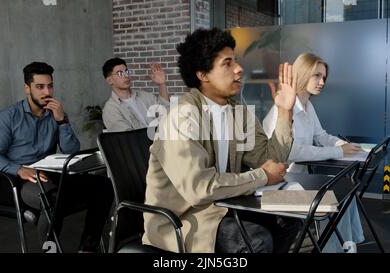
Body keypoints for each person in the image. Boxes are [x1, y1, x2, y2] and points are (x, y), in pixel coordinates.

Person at [142, 28, 301, 253]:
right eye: (227, 63)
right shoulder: (181, 117)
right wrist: (262, 176)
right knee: (256, 241)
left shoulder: (237, 112)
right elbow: (199, 188)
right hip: (184, 219)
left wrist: (284, 112)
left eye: (235, 61)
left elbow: (269, 163)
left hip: (224, 205)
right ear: (202, 75)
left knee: (290, 221)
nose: (239, 68)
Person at [0, 61, 113, 252]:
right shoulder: (7, 118)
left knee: (103, 186)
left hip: (48, 175)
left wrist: (62, 122)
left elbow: (71, 150)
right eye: (40, 87)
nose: (47, 92)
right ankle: (49, 250)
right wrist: (19, 169)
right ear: (27, 88)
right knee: (51, 197)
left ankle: (87, 248)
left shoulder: (56, 114)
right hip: (14, 181)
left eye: (50, 86)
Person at [262, 52, 364, 252]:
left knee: (347, 192)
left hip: (301, 182)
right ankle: (334, 249)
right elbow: (292, 152)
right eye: (316, 75)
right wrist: (337, 153)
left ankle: (349, 245)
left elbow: (321, 136)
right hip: (278, 190)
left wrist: (343, 145)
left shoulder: (308, 105)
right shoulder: (282, 111)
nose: (322, 82)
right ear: (302, 73)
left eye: (323, 77)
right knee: (334, 199)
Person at [101, 57, 170, 132]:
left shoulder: (144, 96)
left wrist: (162, 84)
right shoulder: (111, 109)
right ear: (109, 80)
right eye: (120, 73)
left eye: (127, 72)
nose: (126, 76)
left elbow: (165, 111)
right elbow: (128, 138)